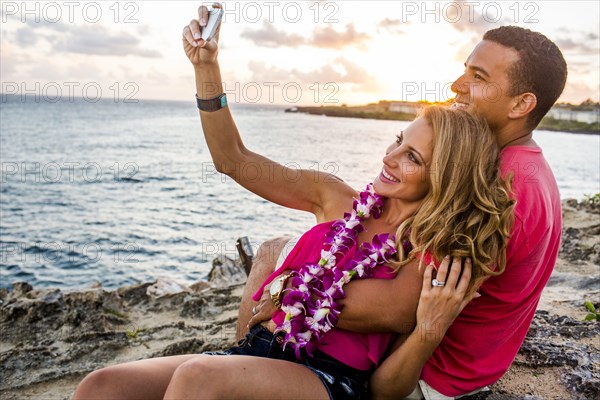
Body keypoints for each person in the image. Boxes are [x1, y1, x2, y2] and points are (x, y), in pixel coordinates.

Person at [72, 5, 515, 400]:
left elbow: (390, 314)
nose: (389, 158)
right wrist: (206, 67)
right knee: (103, 385)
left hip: (327, 378)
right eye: (398, 141)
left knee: (200, 377)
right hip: (255, 351)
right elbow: (233, 160)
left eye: (412, 157)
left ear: (445, 176)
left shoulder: (430, 246)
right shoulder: (333, 194)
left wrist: (279, 283)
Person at [244, 25, 568, 399]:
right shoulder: (523, 167)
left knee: (273, 264)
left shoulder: (499, 187)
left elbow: (399, 310)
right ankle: (242, 364)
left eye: (477, 77)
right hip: (465, 361)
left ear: (520, 104)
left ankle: (243, 368)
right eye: (465, 69)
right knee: (275, 250)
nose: (456, 85)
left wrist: (286, 289)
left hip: (427, 375)